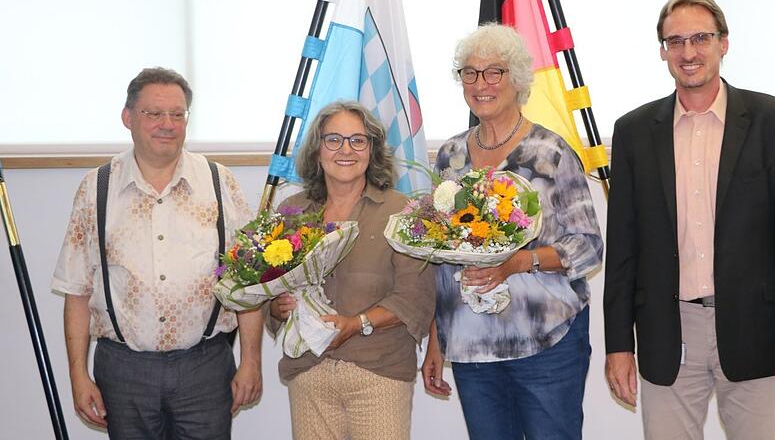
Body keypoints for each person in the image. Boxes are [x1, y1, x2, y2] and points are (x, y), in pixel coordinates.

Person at [603, 0, 775, 439]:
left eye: (701, 38)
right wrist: (618, 347)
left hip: (755, 331)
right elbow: (623, 248)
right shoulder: (633, 132)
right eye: (676, 41)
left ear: (724, 43)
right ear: (663, 51)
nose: (689, 53)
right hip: (668, 333)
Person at [52, 67, 263, 439]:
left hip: (206, 365)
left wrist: (251, 361)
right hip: (124, 369)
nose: (167, 124)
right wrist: (78, 375)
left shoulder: (219, 183)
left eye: (177, 114)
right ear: (128, 118)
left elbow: (248, 282)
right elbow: (77, 291)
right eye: (154, 113)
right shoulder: (96, 189)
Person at [420, 23, 603, 439]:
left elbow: (589, 246)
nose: (480, 83)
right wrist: (435, 340)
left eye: (493, 72)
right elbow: (438, 258)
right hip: (471, 345)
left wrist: (521, 262)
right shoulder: (449, 157)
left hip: (546, 341)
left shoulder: (550, 152)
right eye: (469, 72)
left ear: (517, 80)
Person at [267, 100, 435, 440]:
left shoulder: (404, 213)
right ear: (317, 150)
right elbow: (269, 290)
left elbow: (415, 297)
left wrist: (355, 324)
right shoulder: (290, 211)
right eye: (334, 140)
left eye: (358, 140)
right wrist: (276, 307)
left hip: (379, 372)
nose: (346, 150)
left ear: (372, 151)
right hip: (308, 372)